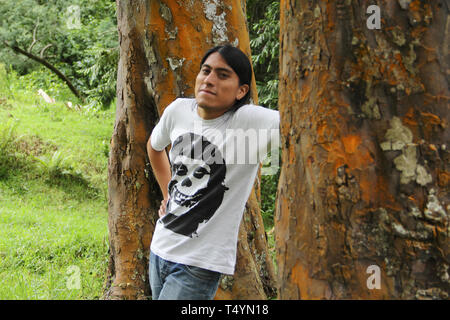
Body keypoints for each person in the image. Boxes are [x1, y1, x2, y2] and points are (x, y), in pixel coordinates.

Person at [147, 44, 280, 300]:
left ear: (242, 91)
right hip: (160, 247)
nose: (209, 80)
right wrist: (168, 194)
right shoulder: (178, 111)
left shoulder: (249, 123)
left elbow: (303, 126)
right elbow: (154, 147)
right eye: (205, 71)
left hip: (198, 263)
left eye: (222, 75)